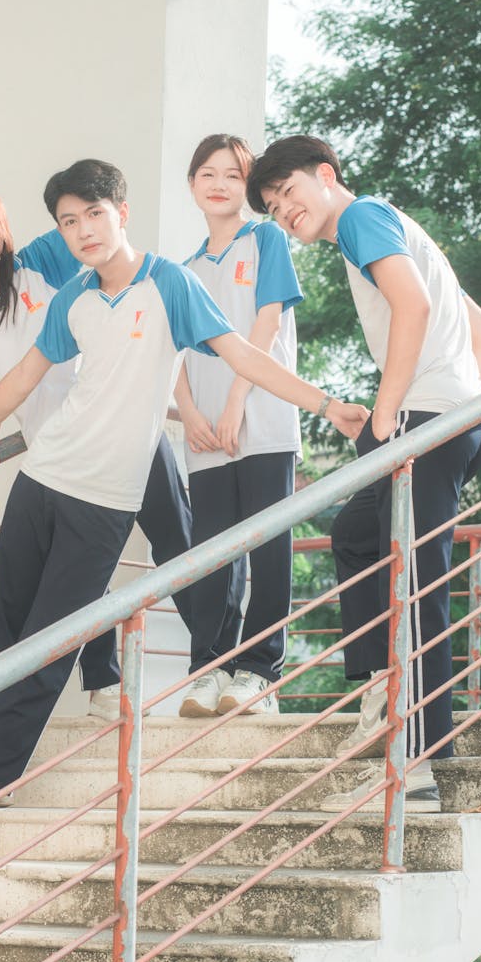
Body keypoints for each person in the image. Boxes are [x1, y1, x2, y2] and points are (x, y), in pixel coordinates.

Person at [0, 158, 369, 832]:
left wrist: (326, 402)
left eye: (92, 215)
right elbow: (16, 384)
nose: (82, 231)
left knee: (47, 642)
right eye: (68, 222)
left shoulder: (170, 285)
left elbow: (243, 354)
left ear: (120, 212)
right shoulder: (71, 297)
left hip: (105, 499)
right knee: (5, 631)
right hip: (42, 478)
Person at [247, 134, 481, 813]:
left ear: (326, 176)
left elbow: (413, 308)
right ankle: (379, 699)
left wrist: (390, 415)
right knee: (358, 537)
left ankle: (415, 769)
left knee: (415, 586)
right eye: (273, 209)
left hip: (423, 420)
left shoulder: (362, 218)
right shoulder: (395, 229)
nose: (284, 213)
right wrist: (470, 410)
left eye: (289, 194)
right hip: (447, 417)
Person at [0, 187, 193, 732]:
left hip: (123, 433)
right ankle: (104, 681)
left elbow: (106, 250)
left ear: (4, 231)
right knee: (68, 579)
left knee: (180, 546)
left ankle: (222, 663)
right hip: (57, 457)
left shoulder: (43, 260)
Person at [174, 134, 303, 719]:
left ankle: (258, 673)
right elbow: (170, 356)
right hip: (205, 435)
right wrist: (194, 414)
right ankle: (210, 670)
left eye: (232, 173)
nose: (219, 183)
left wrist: (232, 403)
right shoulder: (184, 270)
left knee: (269, 551)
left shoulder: (267, 237)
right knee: (212, 558)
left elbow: (267, 325)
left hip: (264, 421)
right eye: (208, 173)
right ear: (193, 184)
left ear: (246, 186)